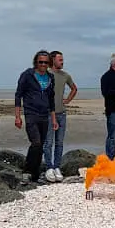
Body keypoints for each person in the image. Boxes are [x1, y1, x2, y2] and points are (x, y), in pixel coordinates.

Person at [15, 50, 59, 183]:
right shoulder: (28, 75)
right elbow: (18, 95)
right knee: (36, 143)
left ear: (49, 63)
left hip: (44, 115)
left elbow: (51, 100)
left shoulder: (51, 78)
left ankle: (35, 175)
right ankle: (27, 171)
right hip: (31, 114)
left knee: (41, 146)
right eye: (41, 62)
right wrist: (17, 116)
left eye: (46, 62)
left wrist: (53, 119)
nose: (43, 65)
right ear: (36, 62)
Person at [43, 50, 78, 182]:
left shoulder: (65, 75)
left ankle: (57, 167)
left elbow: (74, 88)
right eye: (60, 60)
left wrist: (68, 100)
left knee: (59, 142)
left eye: (62, 59)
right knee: (48, 142)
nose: (62, 62)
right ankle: (49, 167)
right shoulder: (46, 75)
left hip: (61, 113)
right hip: (47, 114)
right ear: (52, 60)